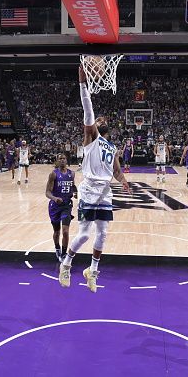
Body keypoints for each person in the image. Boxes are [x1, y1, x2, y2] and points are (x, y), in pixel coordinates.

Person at [59, 65, 130, 293]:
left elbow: (116, 171)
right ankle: (66, 263)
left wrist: (124, 181)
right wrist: (83, 84)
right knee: (85, 234)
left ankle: (92, 271)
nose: (99, 120)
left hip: (105, 191)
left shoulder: (112, 147)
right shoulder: (91, 137)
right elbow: (88, 110)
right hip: (89, 189)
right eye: (96, 120)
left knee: (103, 233)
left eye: (101, 120)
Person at [45, 154, 77, 262]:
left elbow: (73, 186)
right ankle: (57, 247)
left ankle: (64, 254)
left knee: (65, 231)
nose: (62, 160)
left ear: (66, 160)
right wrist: (54, 198)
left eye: (64, 158)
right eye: (60, 159)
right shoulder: (53, 174)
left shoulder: (72, 174)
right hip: (55, 206)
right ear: (57, 161)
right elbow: (47, 192)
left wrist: (76, 192)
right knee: (57, 232)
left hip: (66, 205)